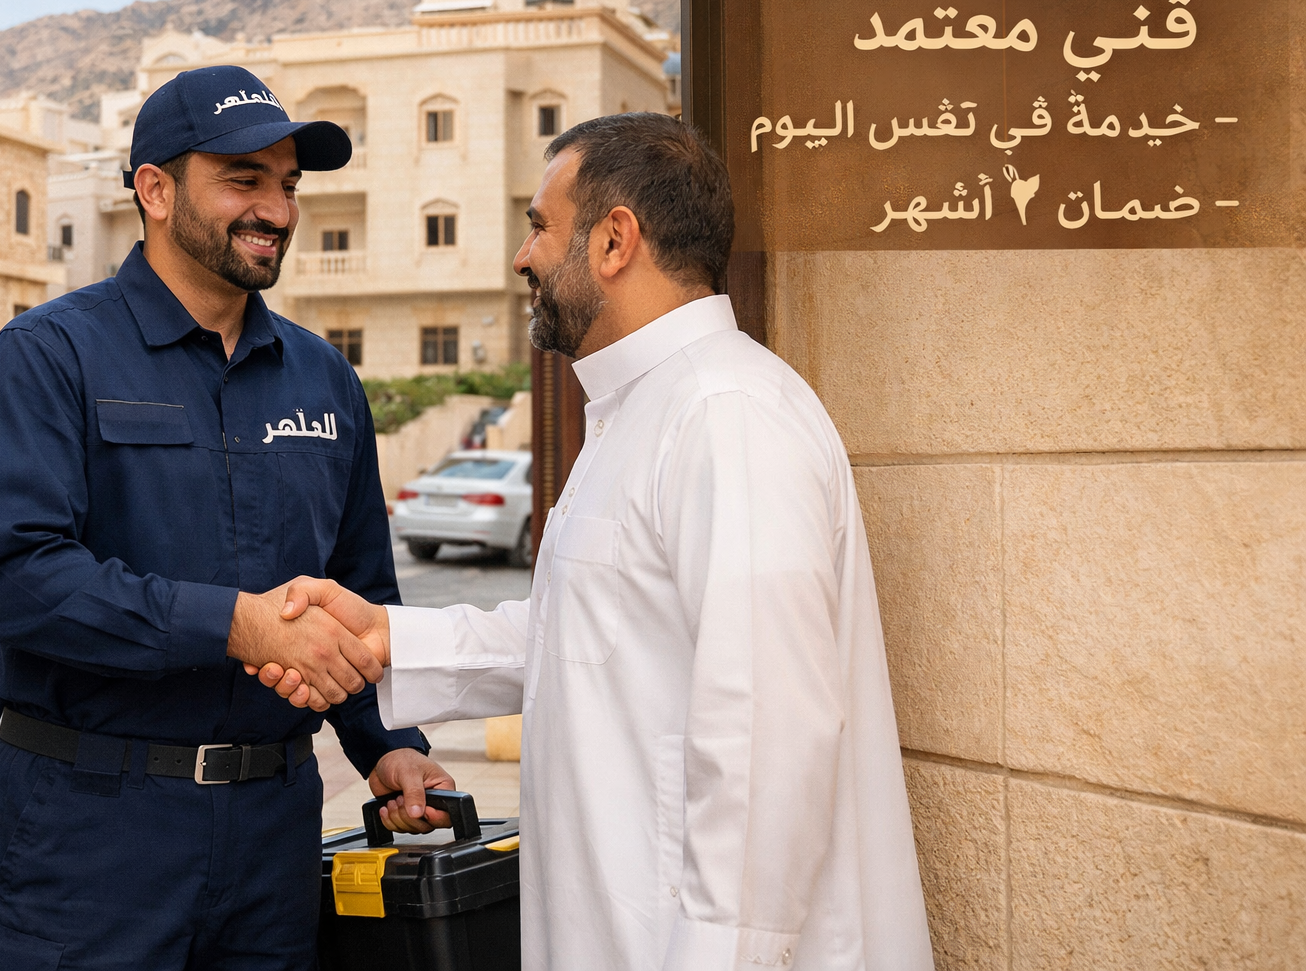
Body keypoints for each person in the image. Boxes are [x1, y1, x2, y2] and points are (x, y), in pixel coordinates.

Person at [254, 112, 935, 970]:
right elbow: (584, 637)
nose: (523, 257)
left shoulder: (726, 415)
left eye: (540, 226)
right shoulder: (647, 409)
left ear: (615, 240)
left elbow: (768, 741)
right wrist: (385, 637)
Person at [0, 65, 452, 970]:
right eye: (243, 180)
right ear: (155, 189)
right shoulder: (48, 356)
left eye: (288, 185)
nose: (277, 210)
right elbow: (7, 577)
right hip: (89, 832)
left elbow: (359, 594)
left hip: (273, 837)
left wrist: (388, 746)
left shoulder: (324, 380)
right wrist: (233, 624)